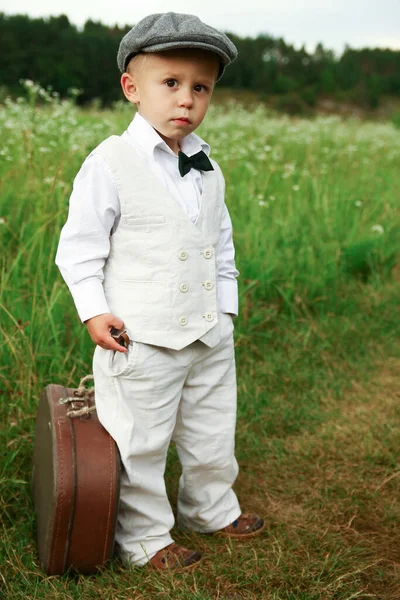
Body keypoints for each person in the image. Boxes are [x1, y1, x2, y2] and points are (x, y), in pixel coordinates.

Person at [55, 11, 264, 571]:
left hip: (208, 332)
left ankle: (210, 507)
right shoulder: (110, 162)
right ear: (132, 88)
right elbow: (79, 247)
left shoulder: (207, 166)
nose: (186, 100)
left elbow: (219, 245)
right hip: (139, 337)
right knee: (140, 440)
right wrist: (94, 312)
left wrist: (225, 310)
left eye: (201, 87)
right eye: (170, 83)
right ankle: (145, 538)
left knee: (212, 428)